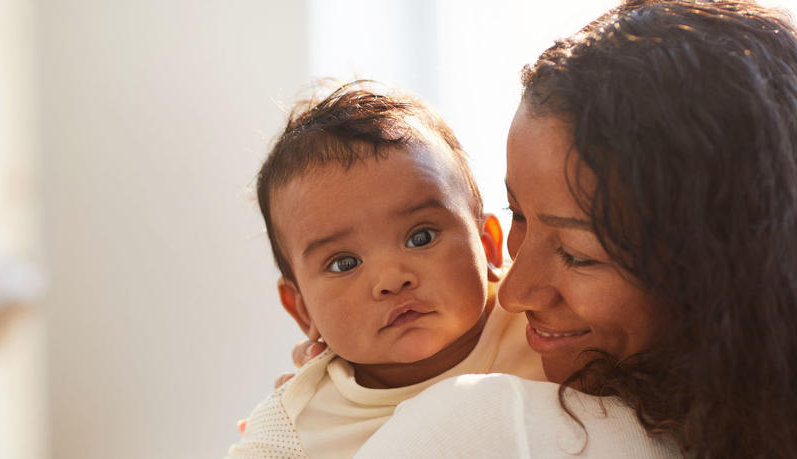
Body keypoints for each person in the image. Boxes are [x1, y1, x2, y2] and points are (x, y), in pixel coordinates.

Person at [294, 1, 796, 457]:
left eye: (577, 253)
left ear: (722, 272)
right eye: (518, 215)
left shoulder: (485, 424)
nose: (512, 291)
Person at [227, 83, 543, 458]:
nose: (392, 279)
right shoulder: (294, 425)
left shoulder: (541, 321)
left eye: (421, 237)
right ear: (303, 310)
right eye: (344, 263)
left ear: (488, 245)